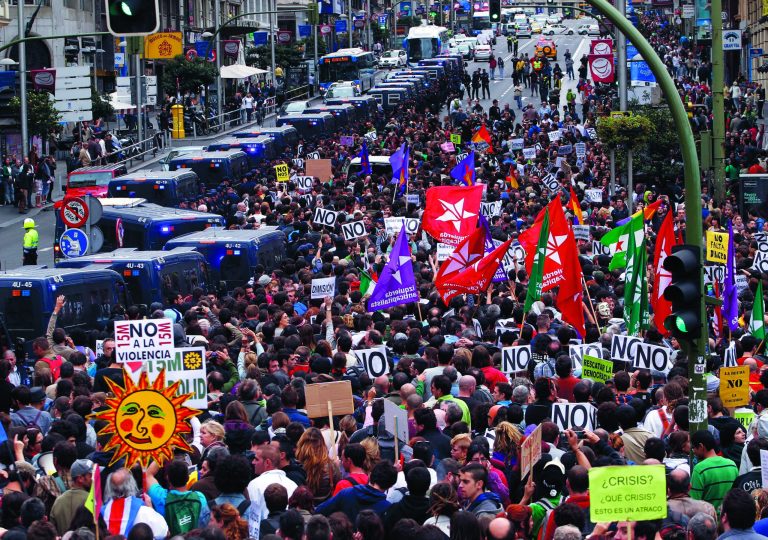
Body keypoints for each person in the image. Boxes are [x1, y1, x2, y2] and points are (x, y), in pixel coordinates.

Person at [690, 430, 738, 513]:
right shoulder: (732, 465)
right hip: (729, 520)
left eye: (693, 447)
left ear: (701, 446)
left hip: (709, 521)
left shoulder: (700, 469)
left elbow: (694, 502)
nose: (693, 451)